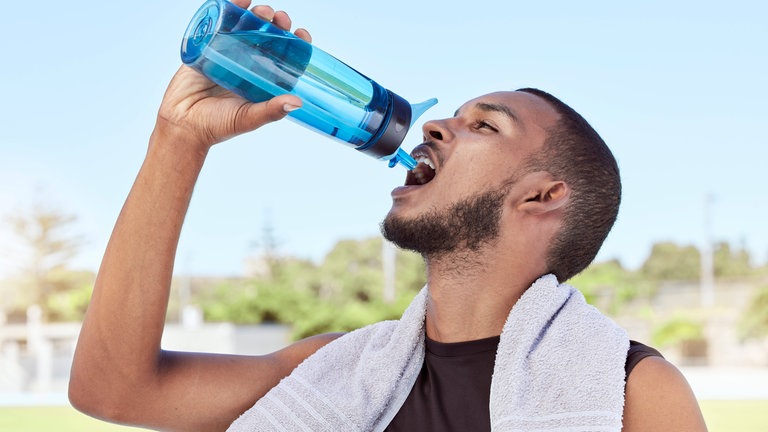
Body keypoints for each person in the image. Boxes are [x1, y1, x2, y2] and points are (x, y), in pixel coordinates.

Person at [69, 2, 708, 431]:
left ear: (540, 197)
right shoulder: (331, 367)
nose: (433, 124)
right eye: (451, 115)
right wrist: (177, 139)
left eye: (482, 123)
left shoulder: (635, 393)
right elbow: (112, 388)